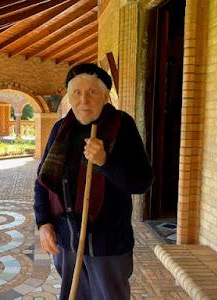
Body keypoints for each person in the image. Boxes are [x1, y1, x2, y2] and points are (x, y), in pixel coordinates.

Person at [34, 63, 153, 300]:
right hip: (66, 239)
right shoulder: (60, 129)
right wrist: (44, 222)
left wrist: (106, 162)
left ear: (106, 97)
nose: (83, 100)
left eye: (92, 92)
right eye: (76, 92)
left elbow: (142, 182)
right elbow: (42, 180)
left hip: (107, 244)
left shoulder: (122, 125)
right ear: (68, 96)